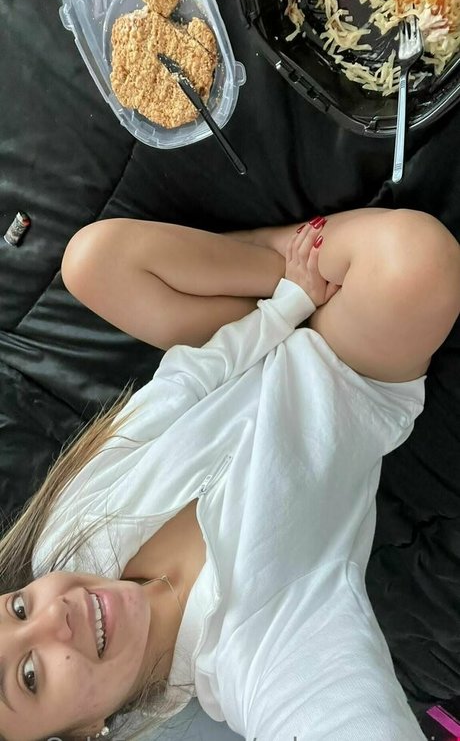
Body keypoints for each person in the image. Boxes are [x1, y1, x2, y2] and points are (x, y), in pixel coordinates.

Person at [0, 207, 458, 741]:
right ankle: (296, 257)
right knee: (414, 261)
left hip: (257, 329)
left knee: (91, 259)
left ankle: (282, 253)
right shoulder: (259, 658)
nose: (55, 614)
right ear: (79, 734)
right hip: (346, 368)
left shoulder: (63, 540)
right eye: (30, 676)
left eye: (19, 608)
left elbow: (184, 384)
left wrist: (288, 300)